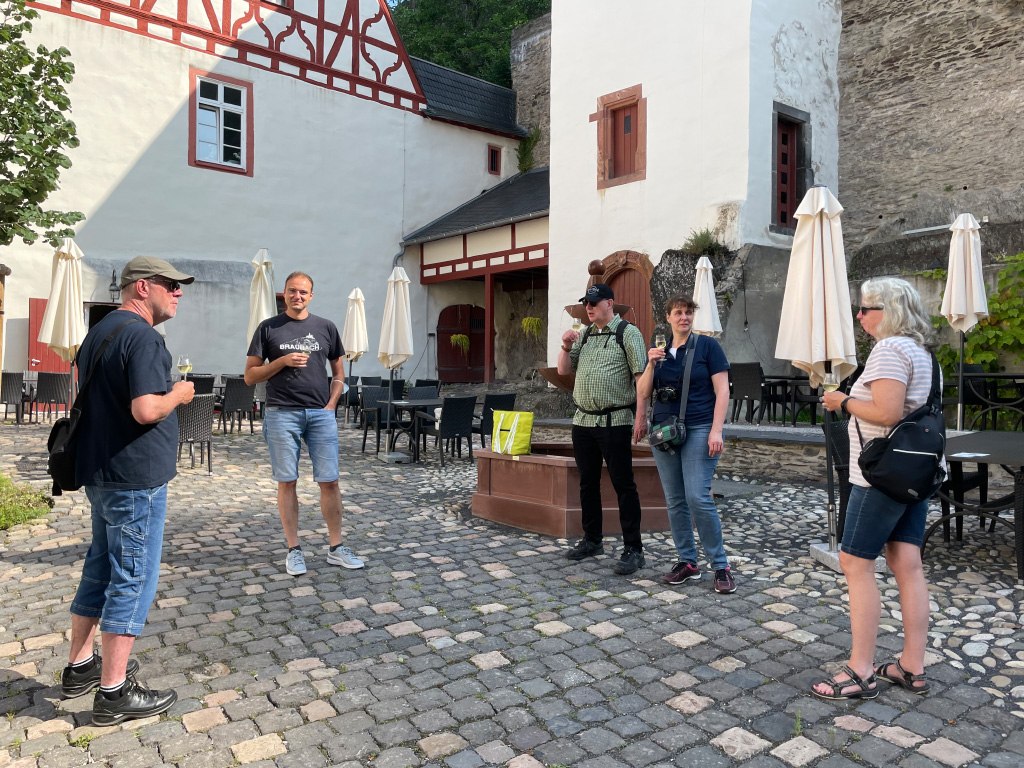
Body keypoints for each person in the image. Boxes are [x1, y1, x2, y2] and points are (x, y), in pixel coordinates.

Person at [63, 256, 196, 725]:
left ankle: (80, 667)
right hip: (135, 479)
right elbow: (144, 410)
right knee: (132, 577)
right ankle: (114, 693)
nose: (178, 293)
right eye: (171, 285)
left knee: (100, 567)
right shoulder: (143, 337)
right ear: (143, 287)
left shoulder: (99, 331)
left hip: (100, 471)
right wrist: (180, 394)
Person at [812, 277, 938, 700]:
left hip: (878, 477)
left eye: (865, 308)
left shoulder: (889, 349)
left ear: (888, 311)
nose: (860, 316)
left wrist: (842, 401)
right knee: (907, 563)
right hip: (914, 476)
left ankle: (861, 670)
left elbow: (885, 412)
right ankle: (911, 666)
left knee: (855, 564)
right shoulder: (922, 353)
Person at [245, 271, 363, 577]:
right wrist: (282, 362)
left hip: (320, 414)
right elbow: (250, 376)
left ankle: (336, 548)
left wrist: (332, 404)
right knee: (288, 481)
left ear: (312, 296)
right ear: (283, 294)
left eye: (303, 292)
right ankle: (293, 550)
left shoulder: (326, 328)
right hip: (282, 413)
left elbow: (338, 372)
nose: (297, 296)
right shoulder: (268, 328)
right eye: (292, 291)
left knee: (330, 480)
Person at [635, 295, 736, 594]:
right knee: (675, 500)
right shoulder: (659, 352)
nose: (684, 317)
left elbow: (723, 392)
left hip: (700, 428)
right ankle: (688, 562)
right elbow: (642, 392)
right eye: (678, 313)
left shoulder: (708, 347)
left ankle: (720, 565)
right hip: (664, 433)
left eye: (688, 312)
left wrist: (716, 431)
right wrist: (651, 365)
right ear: (668, 317)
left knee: (697, 497)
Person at [557, 283, 648, 575]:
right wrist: (565, 346)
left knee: (624, 485)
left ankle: (634, 549)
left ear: (610, 303)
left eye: (595, 302)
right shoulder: (584, 336)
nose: (589, 307)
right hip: (583, 421)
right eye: (587, 302)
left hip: (615, 421)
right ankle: (592, 540)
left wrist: (641, 417)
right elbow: (562, 371)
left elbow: (641, 378)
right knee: (587, 483)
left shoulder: (628, 333)